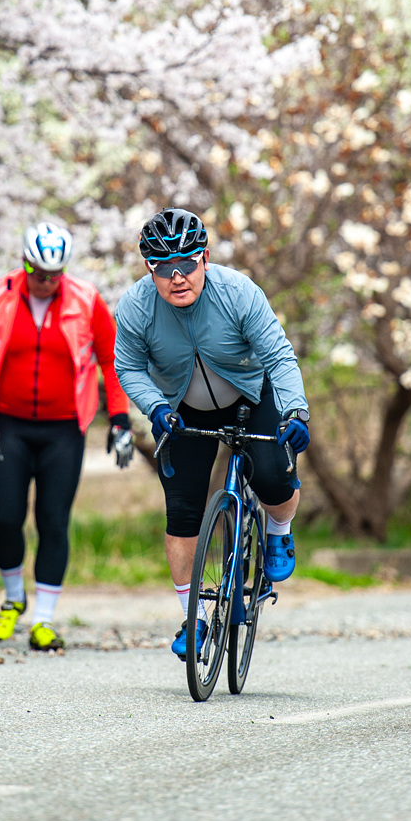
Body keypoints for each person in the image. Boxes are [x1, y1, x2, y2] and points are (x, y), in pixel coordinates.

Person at [114, 207, 310, 661]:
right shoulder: (136, 307)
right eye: (164, 267)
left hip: (250, 395)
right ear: (149, 268)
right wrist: (155, 406)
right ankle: (195, 618)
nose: (177, 277)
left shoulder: (238, 292)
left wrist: (295, 411)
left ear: (204, 258)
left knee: (273, 478)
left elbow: (279, 356)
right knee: (182, 509)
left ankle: (279, 529)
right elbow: (129, 367)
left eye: (187, 263)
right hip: (181, 408)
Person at [0, 221, 132, 651]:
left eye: (54, 275)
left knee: (53, 521)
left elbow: (110, 361)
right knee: (6, 518)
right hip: (9, 426)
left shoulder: (86, 300)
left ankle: (43, 620)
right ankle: (13, 599)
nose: (46, 282)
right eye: (38, 273)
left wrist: (120, 419)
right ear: (24, 263)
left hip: (64, 429)